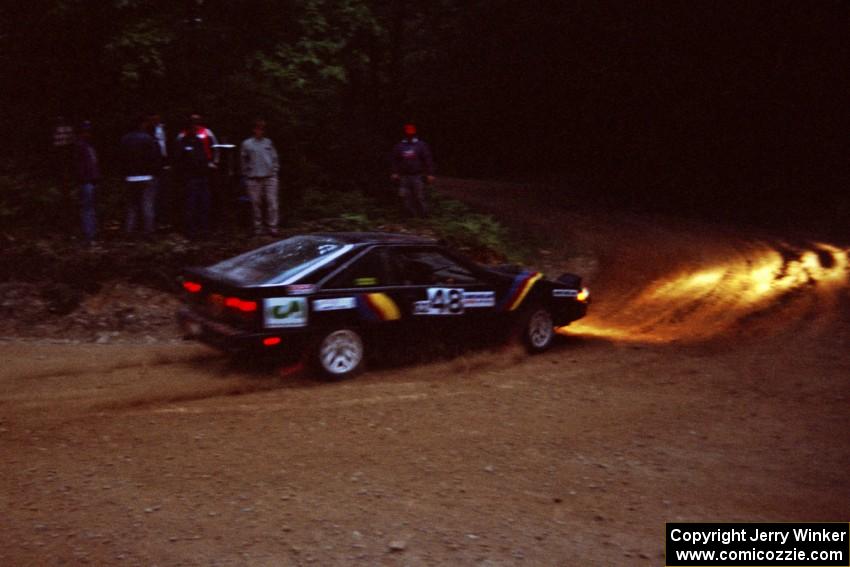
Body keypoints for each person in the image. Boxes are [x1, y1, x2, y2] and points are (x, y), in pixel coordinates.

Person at [119, 115, 161, 237]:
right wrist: (155, 172)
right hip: (146, 176)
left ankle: (129, 231)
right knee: (147, 204)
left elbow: (121, 159)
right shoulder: (148, 139)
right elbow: (155, 158)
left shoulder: (125, 139)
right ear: (142, 125)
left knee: (132, 206)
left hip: (130, 177)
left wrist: (124, 174)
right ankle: (148, 231)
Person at [175, 117, 215, 239]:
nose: (195, 128)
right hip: (189, 178)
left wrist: (209, 165)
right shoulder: (182, 140)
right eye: (192, 126)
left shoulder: (199, 140)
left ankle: (204, 229)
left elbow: (205, 155)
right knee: (190, 204)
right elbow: (178, 160)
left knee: (204, 203)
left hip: (202, 176)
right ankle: (190, 230)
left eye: (196, 125)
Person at [240, 119, 280, 236]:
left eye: (262, 129)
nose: (260, 131)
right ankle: (258, 228)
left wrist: (275, 171)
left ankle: (272, 227)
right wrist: (246, 174)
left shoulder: (268, 142)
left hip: (269, 177)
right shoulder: (247, 144)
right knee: (255, 204)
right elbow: (243, 160)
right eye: (258, 128)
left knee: (272, 202)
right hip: (253, 178)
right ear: (254, 129)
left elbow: (274, 158)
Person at [391, 123, 435, 218]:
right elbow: (395, 160)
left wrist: (430, 173)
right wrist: (395, 172)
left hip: (417, 176)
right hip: (404, 176)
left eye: (411, 133)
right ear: (405, 133)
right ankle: (409, 216)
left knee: (419, 196)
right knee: (405, 196)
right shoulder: (400, 146)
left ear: (414, 133)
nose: (410, 135)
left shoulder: (421, 145)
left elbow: (428, 159)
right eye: (408, 133)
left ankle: (424, 216)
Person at [73, 120, 100, 245]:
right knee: (87, 209)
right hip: (86, 182)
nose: (88, 134)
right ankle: (89, 237)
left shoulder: (88, 146)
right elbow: (79, 167)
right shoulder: (80, 146)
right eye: (85, 131)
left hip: (91, 181)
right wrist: (84, 180)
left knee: (90, 208)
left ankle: (92, 234)